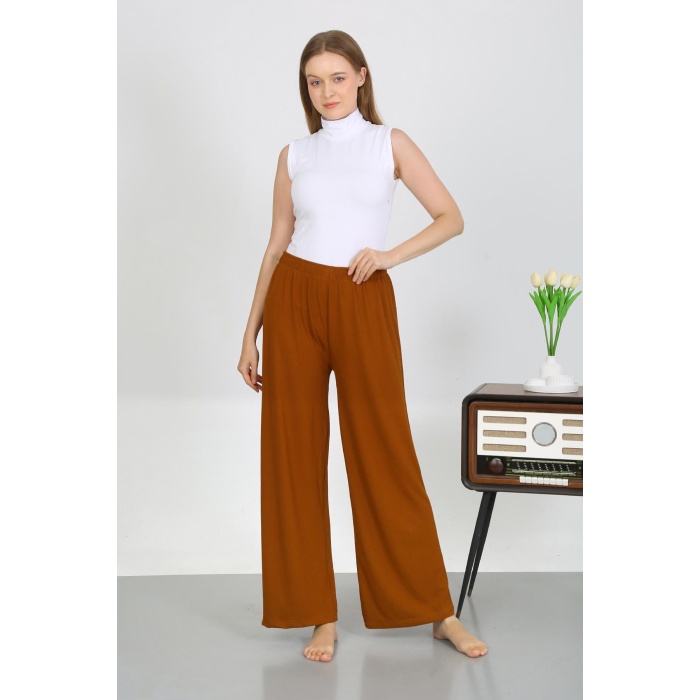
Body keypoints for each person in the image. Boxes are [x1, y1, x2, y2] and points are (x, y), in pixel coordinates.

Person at [237, 29, 488, 663]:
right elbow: (276, 243)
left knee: (384, 447)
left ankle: (436, 610)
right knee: (292, 456)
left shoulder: (388, 142)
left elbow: (451, 217)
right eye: (314, 82)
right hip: (294, 299)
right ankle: (317, 615)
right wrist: (250, 331)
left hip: (361, 294)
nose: (326, 91)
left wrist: (388, 257)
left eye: (337, 78)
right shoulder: (294, 155)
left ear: (361, 77)